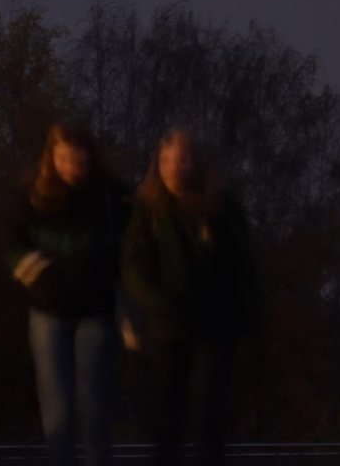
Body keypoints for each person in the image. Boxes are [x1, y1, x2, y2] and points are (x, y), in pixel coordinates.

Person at [122, 129, 261, 466]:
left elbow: (242, 263)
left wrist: (245, 316)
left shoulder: (219, 206)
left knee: (210, 418)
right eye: (166, 160)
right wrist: (154, 306)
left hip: (215, 328)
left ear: (195, 162)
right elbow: (134, 265)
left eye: (182, 159)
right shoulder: (150, 209)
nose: (174, 168)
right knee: (168, 421)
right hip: (168, 329)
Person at [6, 122, 133, 466]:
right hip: (48, 313)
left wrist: (126, 303)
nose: (70, 168)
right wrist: (40, 278)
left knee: (95, 410)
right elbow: (13, 243)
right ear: (52, 157)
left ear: (89, 157)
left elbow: (129, 250)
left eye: (76, 160)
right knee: (58, 416)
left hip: (95, 311)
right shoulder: (35, 193)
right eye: (62, 159)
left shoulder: (109, 195)